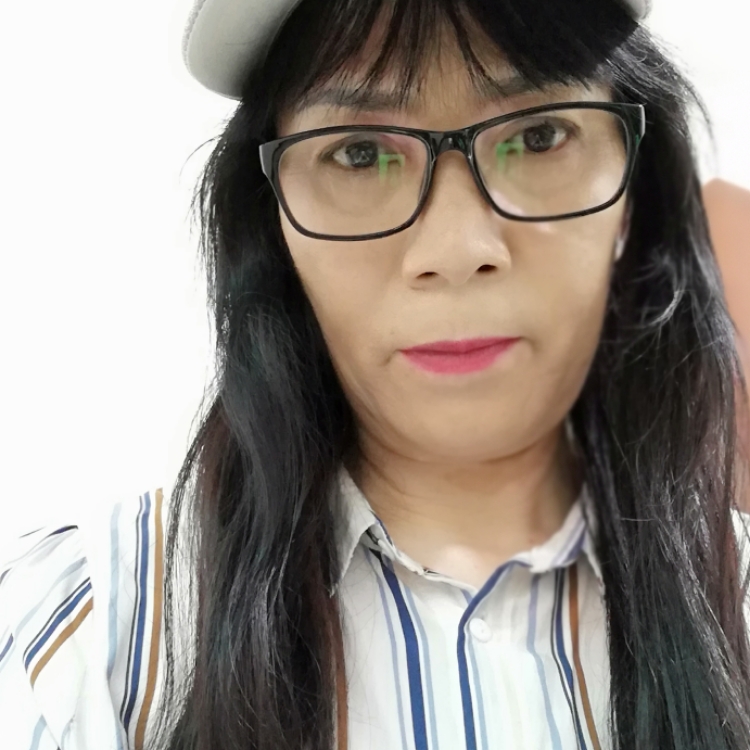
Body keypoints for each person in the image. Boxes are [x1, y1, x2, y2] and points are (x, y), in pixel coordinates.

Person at [2, 0, 750, 748]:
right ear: (273, 220)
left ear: (633, 190)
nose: (455, 249)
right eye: (361, 153)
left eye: (538, 136)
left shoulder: (736, 602)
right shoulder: (82, 645)